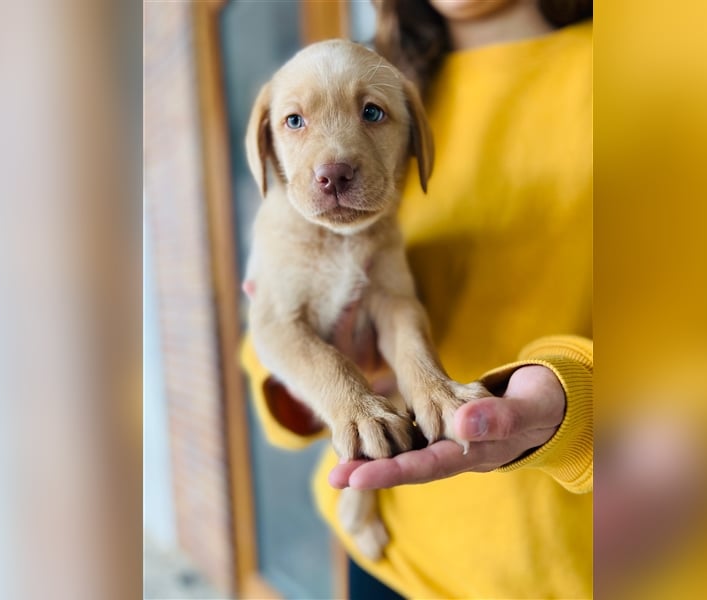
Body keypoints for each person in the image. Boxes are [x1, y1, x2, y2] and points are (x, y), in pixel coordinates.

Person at [241, 0, 593, 597]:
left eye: (373, 115)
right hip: (380, 554)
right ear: (265, 148)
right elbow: (268, 348)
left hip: (551, 569)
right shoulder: (389, 69)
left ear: (416, 146)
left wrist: (576, 401)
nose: (333, 163)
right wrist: (334, 392)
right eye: (295, 123)